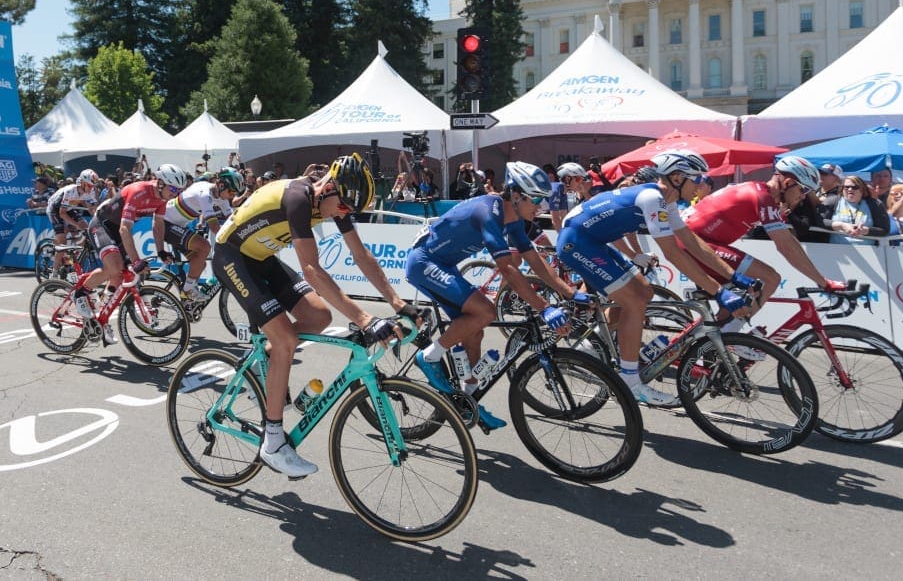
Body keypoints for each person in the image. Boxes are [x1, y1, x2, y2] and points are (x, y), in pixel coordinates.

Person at [213, 153, 422, 478]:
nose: (343, 215)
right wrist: (365, 318)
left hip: (262, 258)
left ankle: (269, 358)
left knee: (320, 316)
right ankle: (272, 443)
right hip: (232, 256)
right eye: (344, 208)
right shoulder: (298, 197)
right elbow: (311, 269)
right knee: (286, 340)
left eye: (349, 212)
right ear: (330, 188)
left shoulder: (334, 200)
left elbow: (361, 255)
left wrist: (398, 304)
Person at [556, 150, 751, 406]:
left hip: (593, 239)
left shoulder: (665, 201)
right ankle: (630, 382)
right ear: (678, 177)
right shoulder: (652, 198)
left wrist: (732, 276)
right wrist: (718, 291)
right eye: (697, 179)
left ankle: (594, 345)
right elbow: (672, 252)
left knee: (644, 292)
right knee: (634, 302)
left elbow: (692, 243)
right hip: (577, 242)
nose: (700, 185)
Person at [406, 161, 582, 429]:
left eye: (543, 200)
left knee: (474, 330)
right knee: (485, 311)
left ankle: (468, 399)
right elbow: (508, 269)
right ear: (515, 194)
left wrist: (569, 292)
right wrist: (544, 308)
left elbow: (533, 258)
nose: (540, 206)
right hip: (424, 262)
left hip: (443, 264)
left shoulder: (512, 220)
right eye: (535, 199)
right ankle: (429, 356)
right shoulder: (489, 212)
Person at [683, 155, 846, 332]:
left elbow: (791, 242)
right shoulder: (762, 197)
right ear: (788, 183)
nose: (803, 197)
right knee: (770, 278)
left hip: (697, 241)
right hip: (695, 243)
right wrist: (823, 282)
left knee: (736, 303)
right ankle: (732, 336)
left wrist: (821, 279)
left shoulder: (766, 197)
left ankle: (712, 346)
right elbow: (786, 247)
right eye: (804, 191)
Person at [77, 164, 188, 345]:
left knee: (123, 275)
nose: (175, 193)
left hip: (118, 229)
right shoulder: (139, 191)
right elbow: (124, 228)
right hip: (102, 224)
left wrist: (160, 250)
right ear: (160, 183)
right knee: (115, 268)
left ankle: (101, 319)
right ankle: (81, 294)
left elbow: (158, 225)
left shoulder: (162, 199)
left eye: (179, 190)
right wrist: (136, 259)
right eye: (173, 189)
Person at [163, 167, 245, 302]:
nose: (232, 196)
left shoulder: (220, 196)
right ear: (222, 185)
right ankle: (188, 290)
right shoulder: (204, 194)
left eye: (234, 193)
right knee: (205, 247)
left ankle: (186, 299)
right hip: (166, 224)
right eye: (231, 191)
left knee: (200, 264)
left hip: (178, 226)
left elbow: (232, 220)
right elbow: (214, 227)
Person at [46, 169, 100, 268]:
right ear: (82, 183)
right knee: (63, 240)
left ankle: (73, 257)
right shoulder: (70, 191)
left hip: (68, 208)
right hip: (54, 209)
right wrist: (76, 225)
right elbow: (62, 214)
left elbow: (91, 209)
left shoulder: (90, 191)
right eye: (89, 185)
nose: (91, 188)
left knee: (85, 228)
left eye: (93, 186)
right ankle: (55, 271)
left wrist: (98, 221)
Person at [823, 175, 889, 244]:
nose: (850, 189)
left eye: (855, 187)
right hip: (834, 250)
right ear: (842, 189)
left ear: (862, 189)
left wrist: (865, 230)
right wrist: (841, 225)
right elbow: (819, 221)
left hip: (868, 251)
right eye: (846, 187)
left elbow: (884, 230)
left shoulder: (875, 204)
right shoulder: (832, 201)